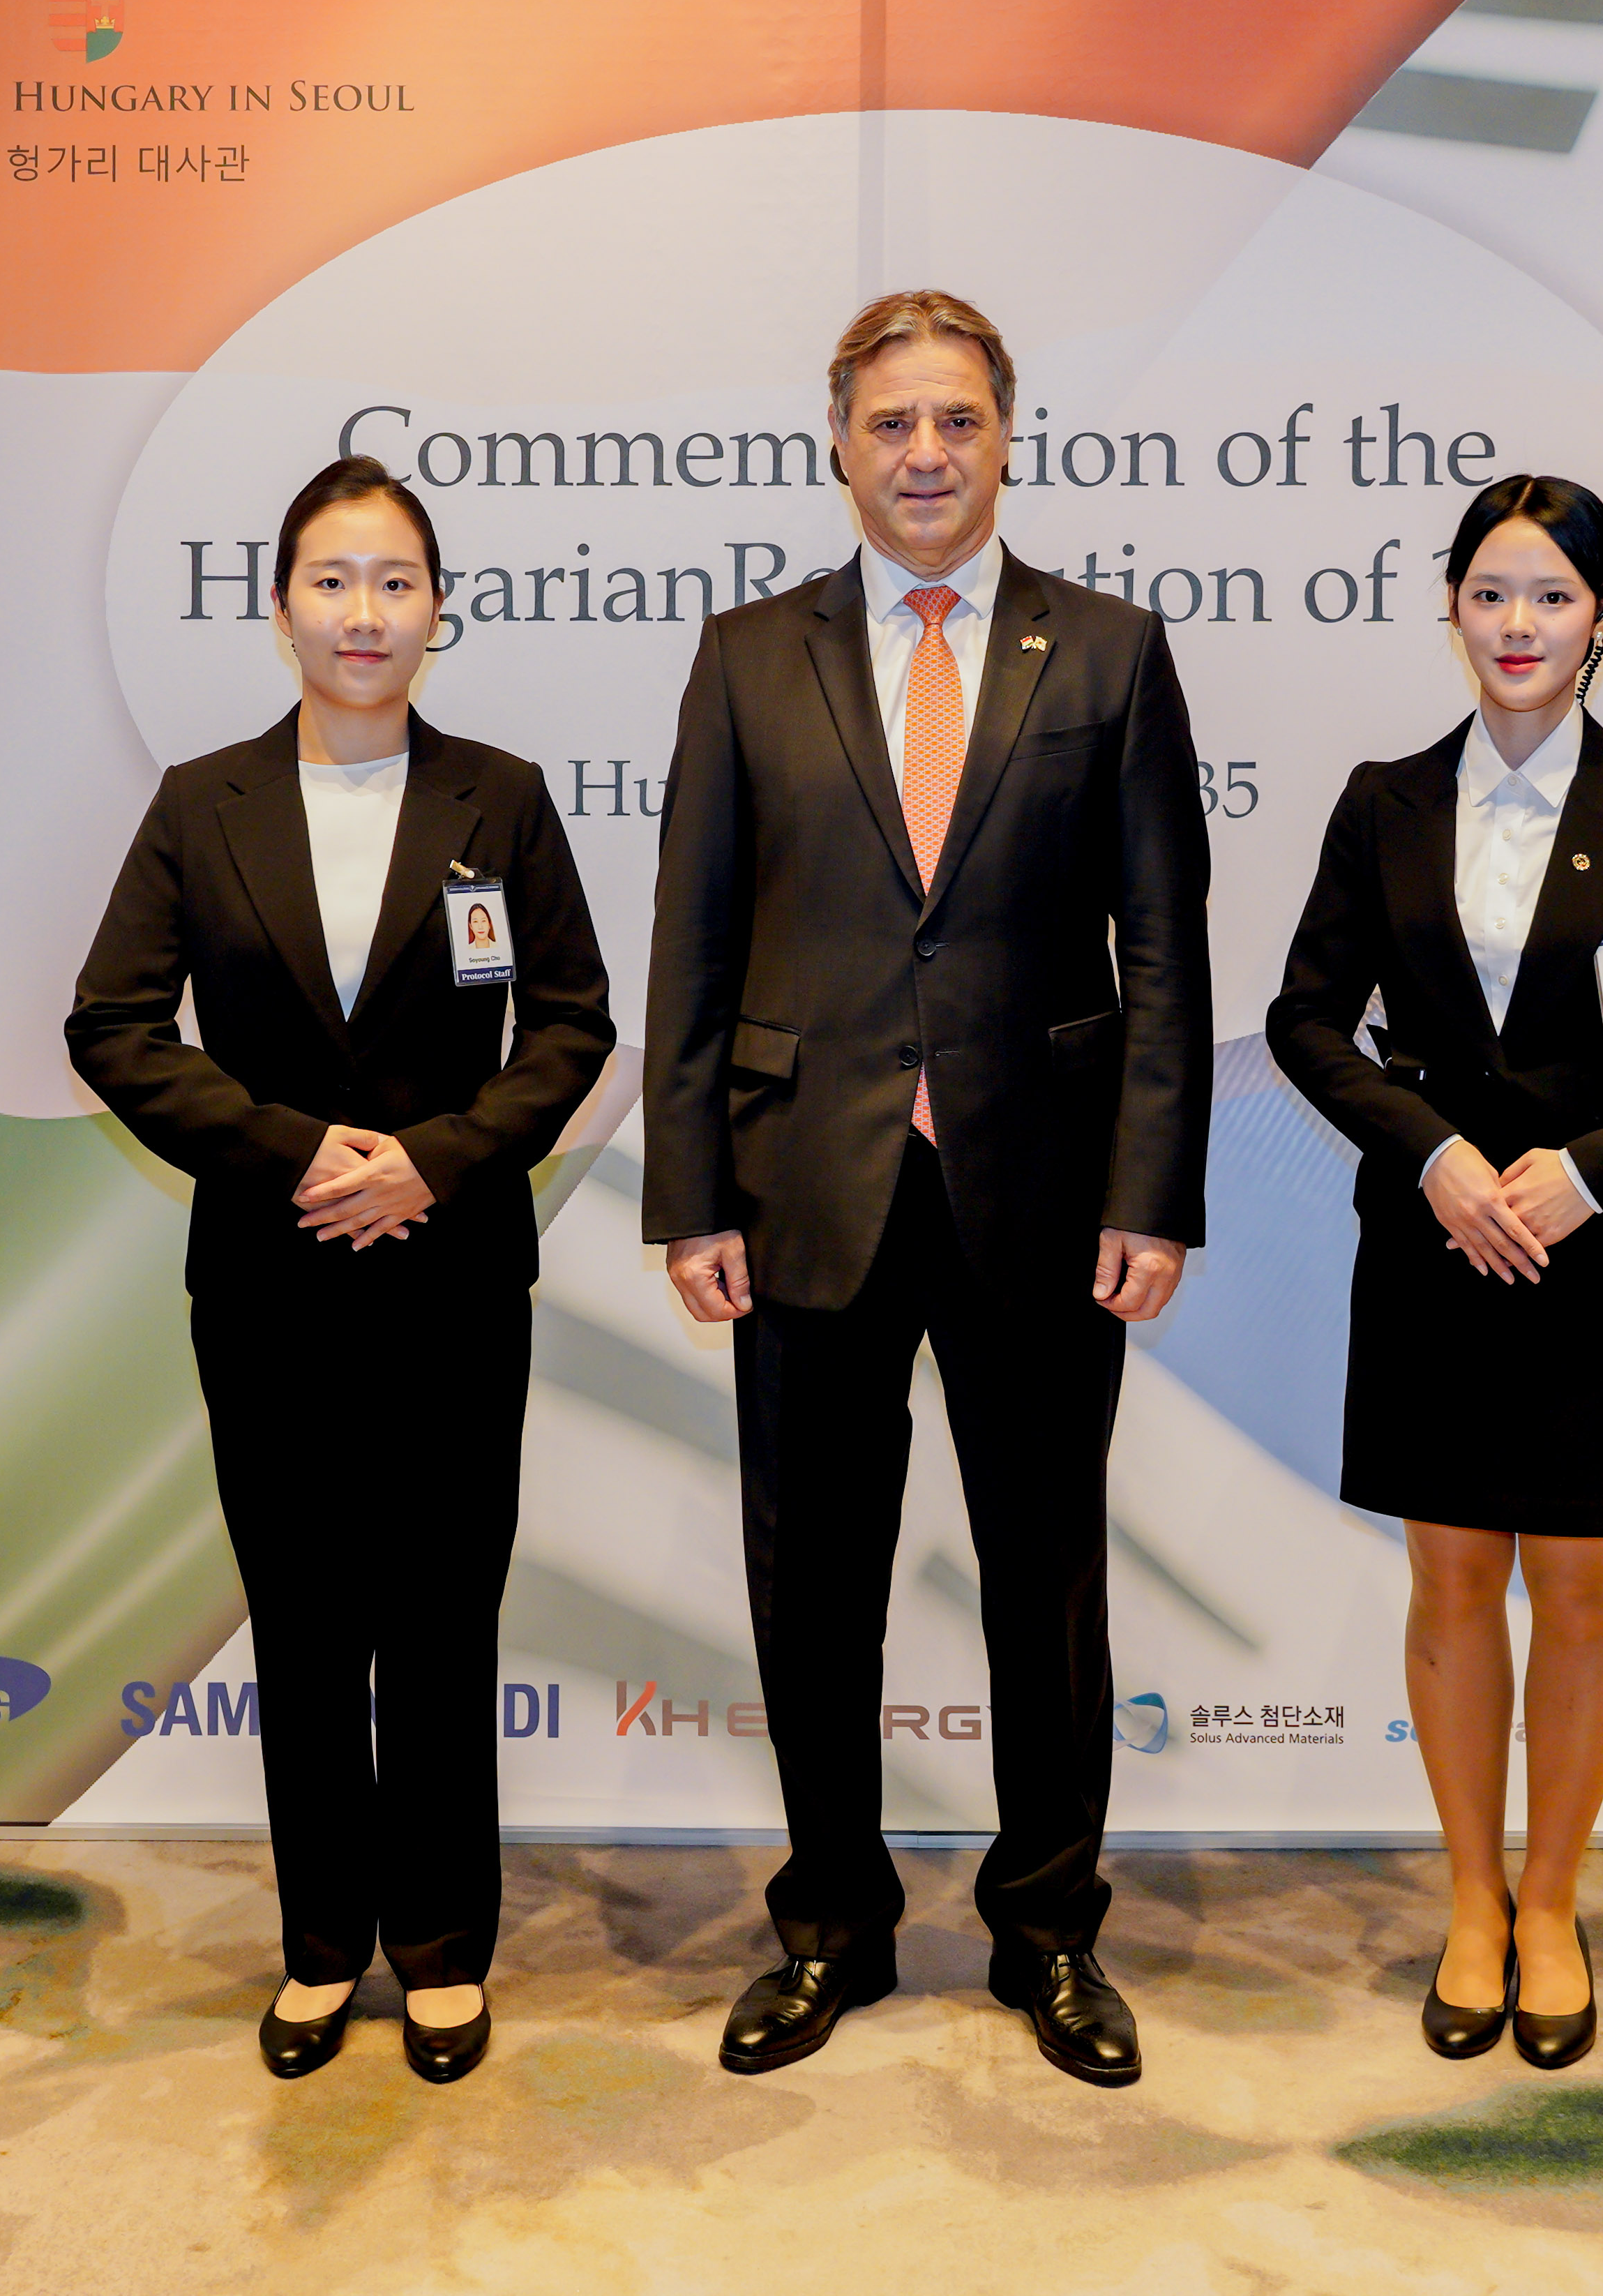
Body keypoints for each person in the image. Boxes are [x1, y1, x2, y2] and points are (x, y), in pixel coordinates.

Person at [646, 288, 1211, 2088]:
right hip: (803, 1187)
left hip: (1044, 1191)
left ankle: (1049, 1931)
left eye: (958, 418)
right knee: (814, 1581)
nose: (925, 453)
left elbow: (1165, 948)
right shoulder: (750, 656)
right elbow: (694, 939)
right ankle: (832, 1921)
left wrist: (1152, 1190)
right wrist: (688, 1193)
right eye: (892, 420)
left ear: (1007, 435)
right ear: (839, 439)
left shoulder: (1107, 651)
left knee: (1048, 1578)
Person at [68, 456, 614, 2087]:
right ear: (280, 607)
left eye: (394, 581)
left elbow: (572, 1021)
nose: (363, 611)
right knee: (305, 1625)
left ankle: (440, 1945)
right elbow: (112, 1022)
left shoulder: (500, 797)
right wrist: (293, 1151)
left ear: (437, 609)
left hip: (454, 1275)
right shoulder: (203, 802)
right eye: (331, 578)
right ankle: (321, 1944)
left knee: (441, 1619)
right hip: (273, 1276)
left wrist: (437, 1157)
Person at [1264, 472, 1603, 2070]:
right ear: (1452, 607)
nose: (1519, 623)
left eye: (1552, 595)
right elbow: (1305, 1018)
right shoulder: (1383, 800)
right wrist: (1429, 1148)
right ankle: (1470, 1900)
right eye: (1492, 591)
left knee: (1579, 1589)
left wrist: (1590, 1170)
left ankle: (1552, 1901)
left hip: (1600, 1253)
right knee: (1448, 1581)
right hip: (1432, 1244)